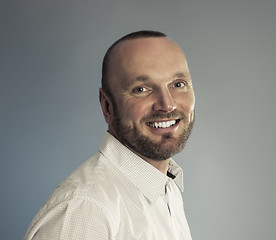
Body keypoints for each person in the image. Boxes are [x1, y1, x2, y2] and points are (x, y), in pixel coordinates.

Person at [24, 30, 195, 239]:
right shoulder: (85, 211)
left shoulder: (167, 188)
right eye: (141, 89)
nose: (167, 104)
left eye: (178, 84)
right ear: (107, 106)